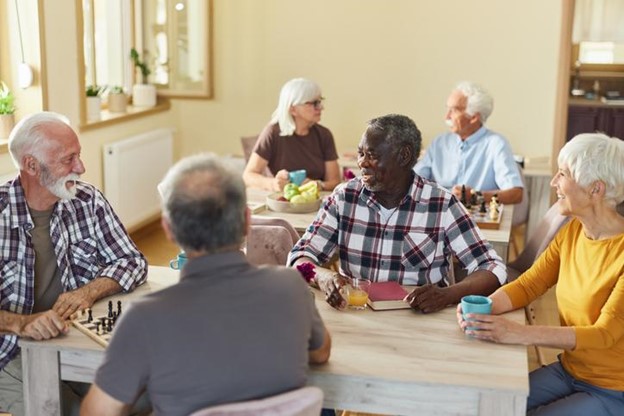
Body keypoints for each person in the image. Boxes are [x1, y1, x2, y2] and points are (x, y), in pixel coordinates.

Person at [81, 153, 331, 416]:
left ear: (168, 230)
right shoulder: (290, 286)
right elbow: (320, 352)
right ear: (247, 221)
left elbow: (96, 413)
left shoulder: (144, 318)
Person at [457, 133, 624, 415]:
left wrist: (519, 333)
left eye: (564, 174)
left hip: (613, 389)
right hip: (570, 370)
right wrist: (484, 309)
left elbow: (603, 335)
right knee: (491, 404)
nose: (554, 182)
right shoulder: (572, 230)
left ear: (595, 189)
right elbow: (530, 284)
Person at [0, 112, 147, 415]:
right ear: (31, 165)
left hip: (71, 337)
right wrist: (21, 323)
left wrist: (89, 292)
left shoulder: (87, 200)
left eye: (78, 156)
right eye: (69, 159)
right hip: (9, 350)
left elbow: (132, 261)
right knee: (78, 411)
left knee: (142, 396)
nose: (81, 168)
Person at [288, 114, 506, 313]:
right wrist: (323, 276)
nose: (362, 163)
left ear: (403, 156)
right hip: (357, 317)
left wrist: (448, 294)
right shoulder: (344, 198)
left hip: (421, 324)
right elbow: (298, 260)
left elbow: (492, 268)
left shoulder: (441, 204)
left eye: (372, 155)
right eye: (360, 153)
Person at [414, 81, 524, 205]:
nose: (447, 117)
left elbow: (515, 194)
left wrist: (475, 196)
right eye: (447, 109)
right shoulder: (439, 143)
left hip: (474, 220)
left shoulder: (496, 144)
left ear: (473, 118)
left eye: (454, 110)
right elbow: (413, 181)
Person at [243, 77, 341, 192]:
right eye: (314, 103)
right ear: (293, 109)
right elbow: (248, 176)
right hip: (281, 202)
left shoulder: (324, 135)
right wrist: (273, 184)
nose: (321, 107)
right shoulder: (272, 133)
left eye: (320, 101)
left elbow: (335, 181)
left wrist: (319, 185)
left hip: (316, 203)